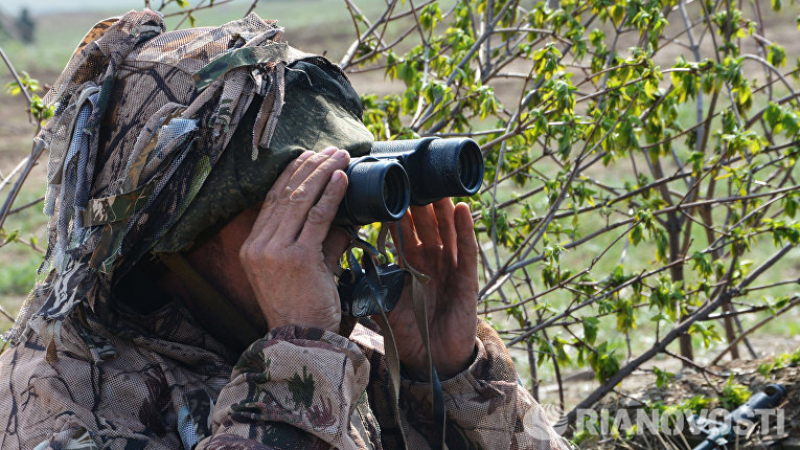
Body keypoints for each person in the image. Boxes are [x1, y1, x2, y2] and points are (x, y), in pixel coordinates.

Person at [0, 10, 568, 450]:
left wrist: (448, 376)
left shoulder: (338, 351)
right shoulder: (61, 400)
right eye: (289, 202)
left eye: (338, 193)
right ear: (173, 235)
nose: (335, 231)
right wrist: (296, 366)